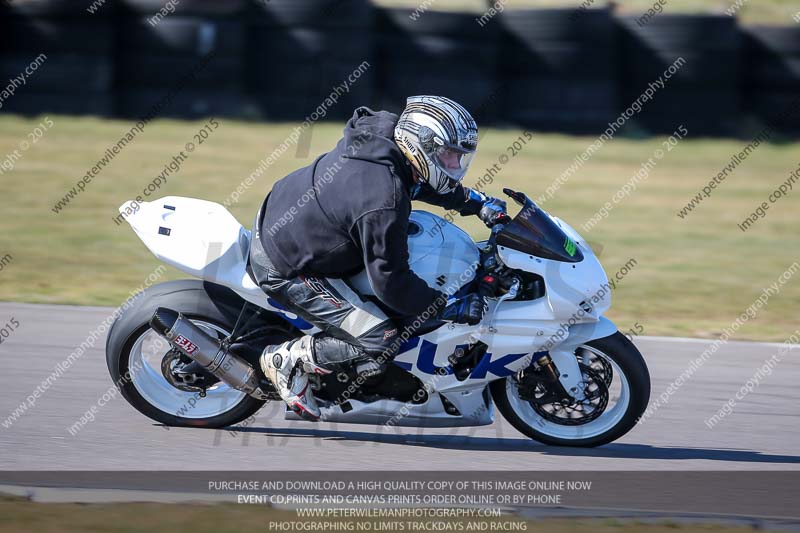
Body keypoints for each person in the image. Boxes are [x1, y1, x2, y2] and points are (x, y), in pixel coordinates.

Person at [249, 95, 507, 420]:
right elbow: (392, 284)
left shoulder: (384, 140)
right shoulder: (383, 200)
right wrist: (447, 306)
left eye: (459, 157)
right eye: (448, 156)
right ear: (420, 146)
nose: (455, 166)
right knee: (380, 336)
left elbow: (419, 182)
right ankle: (285, 359)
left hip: (290, 216)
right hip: (285, 263)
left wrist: (476, 202)